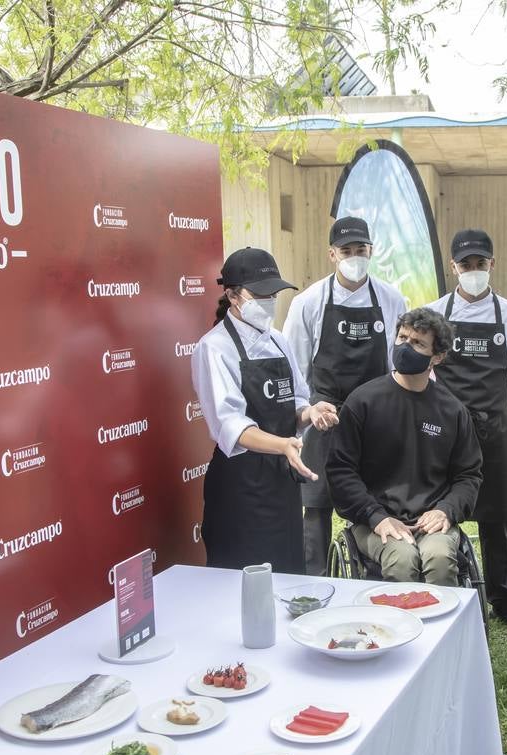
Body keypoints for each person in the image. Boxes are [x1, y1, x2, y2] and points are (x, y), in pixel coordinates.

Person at [192, 248, 339, 573]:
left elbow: (297, 399)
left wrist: (310, 413)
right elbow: (230, 426)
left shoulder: (278, 341)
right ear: (232, 295)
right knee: (242, 583)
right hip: (240, 486)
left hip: (281, 482)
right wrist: (283, 444)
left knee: (288, 573)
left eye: (273, 293)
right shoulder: (214, 348)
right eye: (260, 294)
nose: (269, 300)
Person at [426, 229, 507, 630]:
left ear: (492, 264)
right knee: (442, 511)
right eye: (465, 265)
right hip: (445, 430)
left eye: (480, 264)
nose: (473, 271)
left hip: (494, 427)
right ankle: (450, 589)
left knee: (496, 518)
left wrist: (489, 406)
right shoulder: (434, 313)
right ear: (453, 267)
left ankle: (505, 600)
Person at [282, 216, 409, 576]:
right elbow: (296, 370)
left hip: (375, 418)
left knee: (377, 501)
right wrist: (307, 411)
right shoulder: (308, 303)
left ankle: (375, 576)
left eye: (361, 250)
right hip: (324, 417)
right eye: (347, 250)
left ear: (372, 251)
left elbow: (398, 362)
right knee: (317, 507)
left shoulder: (391, 299)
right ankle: (314, 585)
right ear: (332, 254)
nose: (355, 257)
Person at [326, 308, 483, 586]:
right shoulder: (362, 402)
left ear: (437, 357)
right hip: (375, 519)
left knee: (440, 559)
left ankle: (441, 628)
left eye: (418, 343)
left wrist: (446, 510)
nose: (405, 347)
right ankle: (397, 629)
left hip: (431, 520)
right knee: (401, 559)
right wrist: (376, 517)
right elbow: (341, 471)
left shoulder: (452, 411)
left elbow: (468, 475)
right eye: (402, 338)